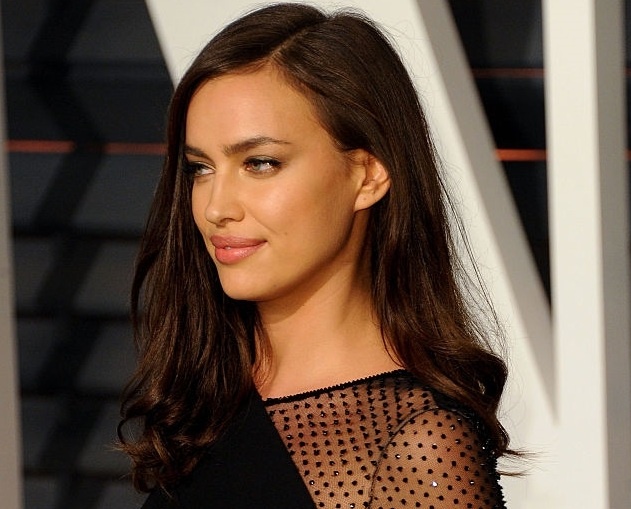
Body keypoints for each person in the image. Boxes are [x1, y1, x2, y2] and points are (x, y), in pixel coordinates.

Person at [118, 3, 511, 508]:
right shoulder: (206, 395)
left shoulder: (418, 446)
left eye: (260, 163)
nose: (216, 208)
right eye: (201, 168)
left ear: (367, 175)